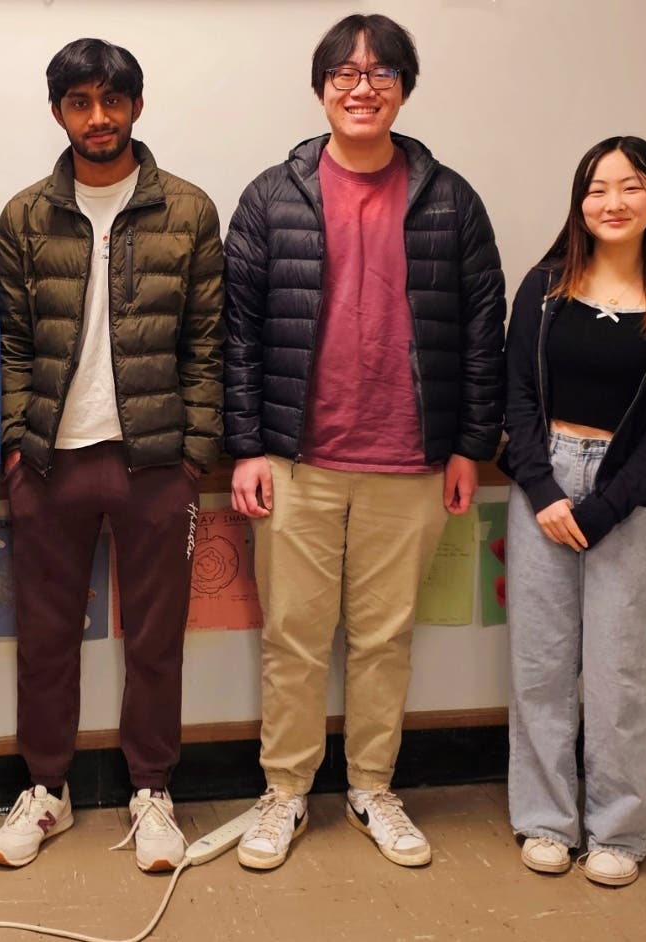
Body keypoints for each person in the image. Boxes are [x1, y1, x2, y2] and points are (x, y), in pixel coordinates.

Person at [224, 13, 505, 870]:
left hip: (410, 462)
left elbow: (482, 328)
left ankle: (373, 788)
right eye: (344, 73)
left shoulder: (450, 199)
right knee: (294, 640)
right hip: (296, 461)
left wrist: (469, 444)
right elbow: (238, 332)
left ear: (404, 89)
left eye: (382, 72)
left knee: (385, 640)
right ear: (321, 89)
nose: (362, 87)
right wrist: (247, 446)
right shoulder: (273, 196)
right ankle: (284, 792)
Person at [0, 37, 224, 873]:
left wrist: (194, 455)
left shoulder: (188, 210)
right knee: (45, 636)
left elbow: (206, 343)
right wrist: (16, 447)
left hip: (156, 462)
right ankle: (45, 790)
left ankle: (152, 791)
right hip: (50, 461)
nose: (98, 117)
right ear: (59, 111)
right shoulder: (25, 216)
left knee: (156, 639)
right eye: (81, 102)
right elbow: (10, 345)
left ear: (136, 106)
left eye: (112, 100)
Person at [500, 136, 646, 887]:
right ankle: (545, 821)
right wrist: (544, 490)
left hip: (629, 491)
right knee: (540, 665)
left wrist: (603, 508)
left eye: (630, 186)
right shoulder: (546, 284)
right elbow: (517, 395)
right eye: (596, 188)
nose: (611, 202)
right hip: (544, 480)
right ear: (580, 200)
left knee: (623, 669)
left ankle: (619, 831)